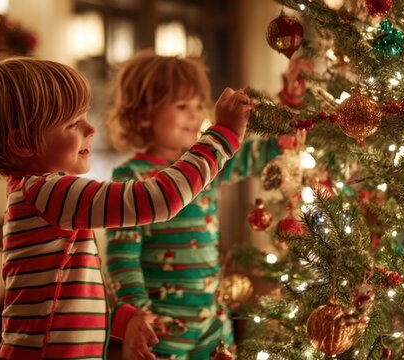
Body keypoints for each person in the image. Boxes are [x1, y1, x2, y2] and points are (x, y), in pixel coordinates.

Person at [0, 57, 251, 360]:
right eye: (72, 123)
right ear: (22, 144)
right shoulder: (48, 191)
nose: (90, 127)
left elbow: (70, 292)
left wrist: (123, 319)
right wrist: (221, 136)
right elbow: (157, 200)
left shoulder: (39, 196)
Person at [105, 51, 279, 359]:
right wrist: (137, 315)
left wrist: (287, 124)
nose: (195, 114)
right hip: (161, 326)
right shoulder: (129, 178)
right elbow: (122, 259)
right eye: (182, 106)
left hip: (213, 320)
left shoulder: (205, 167)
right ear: (144, 114)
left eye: (199, 104)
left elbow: (251, 156)